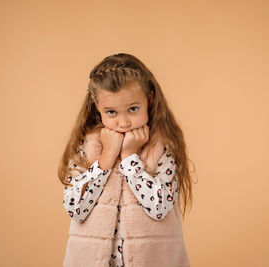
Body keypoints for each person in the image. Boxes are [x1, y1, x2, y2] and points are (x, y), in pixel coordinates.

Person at [58, 53, 195, 266]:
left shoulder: (163, 146)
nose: (123, 122)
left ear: (149, 98)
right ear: (96, 105)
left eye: (133, 109)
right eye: (111, 112)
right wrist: (106, 158)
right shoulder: (86, 146)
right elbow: (75, 209)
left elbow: (159, 208)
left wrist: (130, 158)